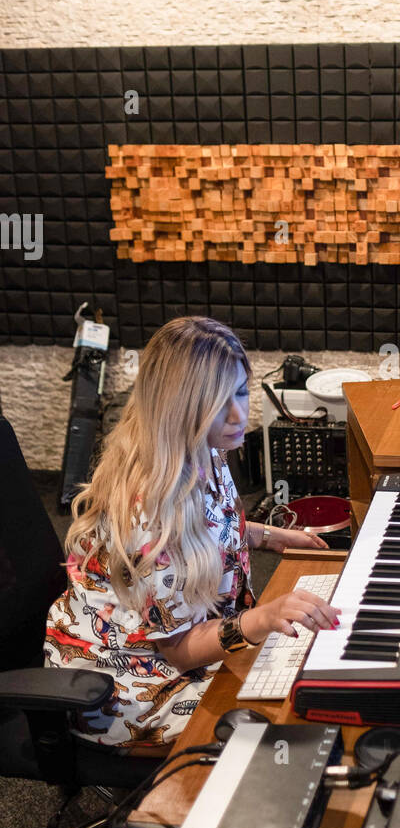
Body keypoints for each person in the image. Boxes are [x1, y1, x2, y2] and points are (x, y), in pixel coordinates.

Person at [44, 316, 341, 750]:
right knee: (290, 715)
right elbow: (180, 649)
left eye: (240, 391)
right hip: (128, 677)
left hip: (187, 632)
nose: (240, 415)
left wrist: (268, 536)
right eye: (220, 403)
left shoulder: (201, 445)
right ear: (178, 408)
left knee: (306, 668)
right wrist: (259, 620)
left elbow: (210, 525)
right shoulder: (148, 518)